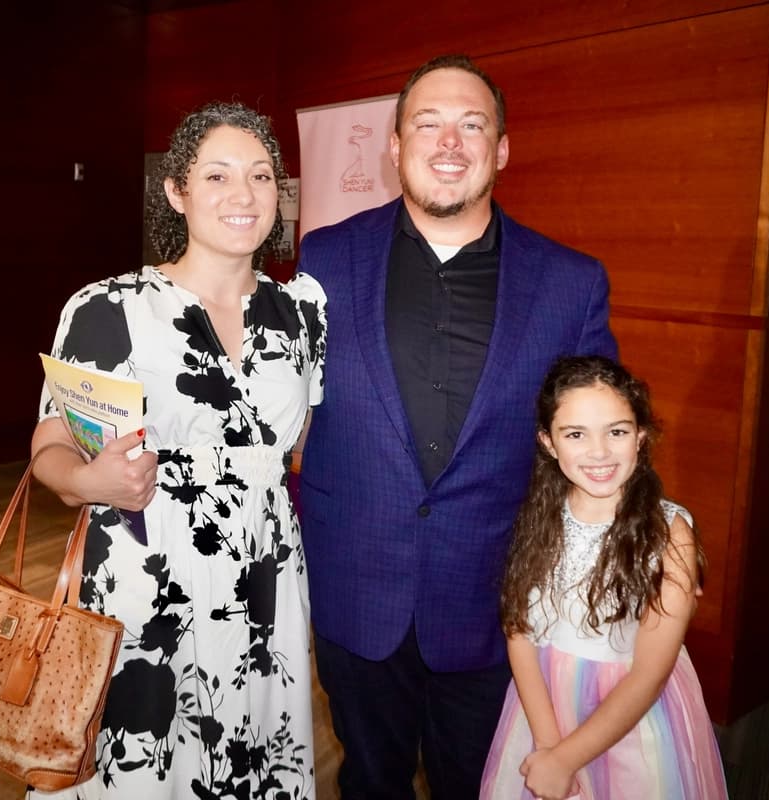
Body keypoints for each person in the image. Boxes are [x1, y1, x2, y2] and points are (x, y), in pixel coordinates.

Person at [296, 54, 618, 798]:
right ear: (395, 145)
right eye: (428, 124)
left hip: (491, 605)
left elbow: (599, 436)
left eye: (472, 126)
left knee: (473, 784)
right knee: (369, 780)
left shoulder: (571, 282)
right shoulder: (326, 257)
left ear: (501, 149)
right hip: (356, 589)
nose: (449, 143)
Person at [28, 102, 326, 800]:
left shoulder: (301, 314)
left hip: (264, 574)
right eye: (216, 175)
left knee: (251, 749)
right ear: (176, 191)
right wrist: (89, 479)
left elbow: (298, 446)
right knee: (145, 758)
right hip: (146, 570)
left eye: (259, 176)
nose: (242, 194)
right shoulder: (112, 308)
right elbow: (51, 447)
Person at [480, 356, 727, 799]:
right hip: (543, 712)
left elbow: (650, 672)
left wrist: (567, 759)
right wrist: (548, 745)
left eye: (617, 431)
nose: (599, 452)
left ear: (641, 436)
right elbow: (517, 629)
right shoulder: (538, 518)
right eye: (576, 434)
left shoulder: (668, 533)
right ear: (549, 443)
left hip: (630, 722)